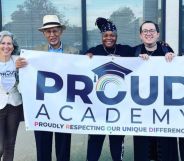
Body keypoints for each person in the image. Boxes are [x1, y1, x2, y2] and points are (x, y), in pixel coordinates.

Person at [16, 15, 77, 161]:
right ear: (44, 34)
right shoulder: (35, 53)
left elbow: (82, 71)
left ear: (60, 32)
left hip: (64, 107)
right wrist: (19, 66)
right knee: (43, 147)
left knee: (63, 147)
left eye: (55, 31)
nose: (52, 35)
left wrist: (90, 58)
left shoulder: (73, 52)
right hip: (42, 108)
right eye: (48, 32)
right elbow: (26, 76)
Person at [85, 17, 135, 161]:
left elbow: (143, 52)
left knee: (117, 143)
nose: (109, 38)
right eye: (106, 35)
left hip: (118, 109)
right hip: (98, 109)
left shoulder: (125, 50)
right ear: (102, 37)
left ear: (116, 37)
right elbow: (78, 67)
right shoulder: (94, 51)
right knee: (95, 142)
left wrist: (165, 48)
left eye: (112, 35)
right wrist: (85, 58)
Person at [133, 20, 178, 161]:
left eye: (152, 30)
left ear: (157, 34)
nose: (148, 33)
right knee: (144, 149)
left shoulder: (166, 50)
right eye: (145, 31)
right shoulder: (134, 51)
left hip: (163, 111)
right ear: (140, 35)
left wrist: (173, 59)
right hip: (142, 110)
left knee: (165, 150)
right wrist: (89, 54)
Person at [0, 31, 23, 161]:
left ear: (13, 46)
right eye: (3, 43)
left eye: (9, 43)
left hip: (15, 105)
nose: (6, 46)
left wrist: (21, 69)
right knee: (0, 146)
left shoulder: (17, 60)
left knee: (10, 145)